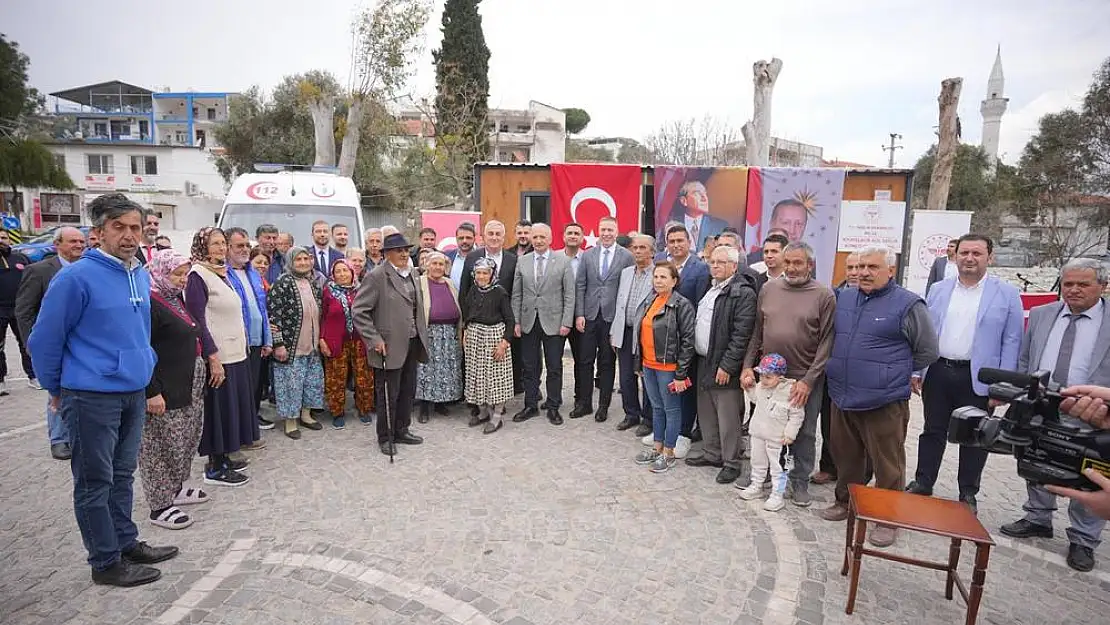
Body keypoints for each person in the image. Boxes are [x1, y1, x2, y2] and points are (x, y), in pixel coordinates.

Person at [28, 193, 176, 587]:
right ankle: (105, 561)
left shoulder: (138, 273)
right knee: (95, 481)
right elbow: (44, 340)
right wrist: (56, 388)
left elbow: (140, 333)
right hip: (90, 395)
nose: (130, 236)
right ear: (98, 233)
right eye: (119, 227)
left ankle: (125, 542)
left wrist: (145, 380)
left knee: (123, 474)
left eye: (136, 228)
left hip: (132, 392)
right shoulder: (75, 277)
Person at [820, 246, 939, 548]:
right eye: (859, 266)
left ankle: (887, 517)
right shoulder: (844, 297)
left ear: (891, 270)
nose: (863, 273)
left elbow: (927, 350)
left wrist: (891, 372)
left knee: (888, 463)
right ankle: (845, 501)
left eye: (872, 267)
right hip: (842, 394)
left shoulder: (909, 304)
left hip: (884, 401)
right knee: (846, 456)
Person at [999, 258, 1110, 572]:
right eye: (1068, 284)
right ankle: (1037, 517)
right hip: (1044, 404)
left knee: (1090, 471)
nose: (1073, 290)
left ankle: (1083, 539)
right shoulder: (1041, 314)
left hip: (1095, 411)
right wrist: (1019, 394)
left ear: (1102, 286)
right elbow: (1025, 356)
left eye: (1082, 284)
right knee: (1038, 459)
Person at [907, 234, 1023, 513]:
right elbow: (925, 332)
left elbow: (1012, 341)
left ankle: (968, 492)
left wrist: (1002, 385)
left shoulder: (1006, 294)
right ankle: (923, 481)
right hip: (938, 370)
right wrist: (917, 369)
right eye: (964, 253)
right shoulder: (938, 289)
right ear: (955, 256)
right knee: (932, 431)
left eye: (977, 253)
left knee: (975, 436)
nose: (970, 258)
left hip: (979, 378)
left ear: (989, 258)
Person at [741, 241, 835, 508]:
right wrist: (748, 365)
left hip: (804, 378)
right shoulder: (769, 289)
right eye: (788, 262)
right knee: (767, 428)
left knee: (802, 432)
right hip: (770, 377)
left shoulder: (824, 295)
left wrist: (808, 380)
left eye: (798, 263)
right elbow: (757, 332)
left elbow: (827, 343)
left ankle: (800, 481)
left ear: (810, 265)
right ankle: (770, 476)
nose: (792, 268)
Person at [141, 250, 208, 530]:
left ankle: (177, 488)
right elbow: (142, 349)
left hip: (186, 382)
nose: (182, 280)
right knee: (159, 446)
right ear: (159, 272)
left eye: (184, 274)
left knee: (183, 440)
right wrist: (151, 390)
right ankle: (159, 505)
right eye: (176, 274)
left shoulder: (173, 298)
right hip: (163, 387)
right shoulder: (149, 303)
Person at [183, 228, 254, 487]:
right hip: (219, 356)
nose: (220, 248)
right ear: (202, 246)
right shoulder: (197, 276)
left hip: (235, 353)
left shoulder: (221, 274)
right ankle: (215, 467)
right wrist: (212, 356)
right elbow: (198, 321)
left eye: (223, 243)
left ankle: (224, 457)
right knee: (218, 410)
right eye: (214, 243)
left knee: (230, 408)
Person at [684, 245, 758, 484]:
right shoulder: (711, 287)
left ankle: (731, 462)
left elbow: (741, 335)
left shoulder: (743, 293)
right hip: (704, 360)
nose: (714, 266)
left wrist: (727, 366)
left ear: (734, 266)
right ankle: (712, 452)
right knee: (706, 411)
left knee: (727, 417)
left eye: (721, 262)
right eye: (711, 261)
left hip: (724, 363)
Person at [352, 232, 430, 456]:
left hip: (412, 341)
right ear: (387, 254)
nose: (404, 253)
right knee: (388, 393)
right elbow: (359, 311)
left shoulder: (412, 273)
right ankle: (385, 436)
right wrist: (374, 338)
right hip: (387, 344)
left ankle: (402, 429)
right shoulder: (377, 276)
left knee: (407, 390)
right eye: (399, 250)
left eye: (406, 249)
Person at [15, 226, 85, 459]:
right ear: (57, 244)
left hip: (82, 343)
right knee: (57, 388)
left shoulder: (88, 270)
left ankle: (79, 434)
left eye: (81, 241)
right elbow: (25, 311)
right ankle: (59, 438)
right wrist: (31, 344)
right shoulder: (39, 271)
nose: (78, 245)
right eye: (73, 241)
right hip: (54, 342)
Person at [632, 261, 696, 473]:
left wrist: (680, 374)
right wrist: (638, 362)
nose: (658, 281)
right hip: (648, 364)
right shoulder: (651, 299)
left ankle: (669, 453)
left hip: (668, 367)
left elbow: (688, 341)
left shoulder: (681, 305)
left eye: (663, 277)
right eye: (656, 277)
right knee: (657, 407)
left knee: (671, 409)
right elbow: (640, 334)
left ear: (674, 281)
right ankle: (657, 447)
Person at [511, 223, 575, 425]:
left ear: (550, 239)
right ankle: (530, 405)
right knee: (529, 366)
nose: (538, 241)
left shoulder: (563, 261)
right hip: (529, 320)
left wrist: (567, 321)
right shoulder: (523, 261)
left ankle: (553, 406)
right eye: (535, 237)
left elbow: (569, 294)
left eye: (542, 237)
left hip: (555, 322)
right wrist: (516, 321)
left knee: (554, 366)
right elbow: (517, 293)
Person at [574, 216, 634, 422]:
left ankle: (603, 406)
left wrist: (620, 319)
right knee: (585, 360)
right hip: (590, 315)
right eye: (603, 229)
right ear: (598, 231)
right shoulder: (588, 255)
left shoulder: (626, 256)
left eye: (610, 230)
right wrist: (579, 314)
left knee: (607, 362)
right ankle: (585, 403)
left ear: (616, 232)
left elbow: (628, 288)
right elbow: (581, 284)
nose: (606, 233)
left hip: (612, 317)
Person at [813, 251, 862, 485]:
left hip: (860, 372)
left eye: (859, 267)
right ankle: (829, 466)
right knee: (830, 422)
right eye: (850, 268)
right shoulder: (832, 294)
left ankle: (856, 474)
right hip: (830, 368)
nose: (854, 273)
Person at [268, 247, 326, 440]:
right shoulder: (282, 282)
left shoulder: (313, 282)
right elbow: (274, 315)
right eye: (298, 259)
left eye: (305, 259)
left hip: (312, 345)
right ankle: (290, 421)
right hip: (291, 346)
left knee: (311, 381)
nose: (303, 262)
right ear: (290, 262)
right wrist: (279, 344)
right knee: (291, 384)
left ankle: (306, 415)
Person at [663, 224, 711, 452]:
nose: (676, 245)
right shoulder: (662, 265)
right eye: (671, 241)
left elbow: (700, 304)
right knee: (667, 383)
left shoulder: (700, 269)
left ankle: (683, 433)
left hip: (687, 337)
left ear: (689, 242)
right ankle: (666, 429)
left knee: (685, 385)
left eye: (680, 241)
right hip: (664, 336)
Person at [736, 353, 805, 510]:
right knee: (757, 461)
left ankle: (777, 494)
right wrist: (750, 386)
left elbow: (797, 415)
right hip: (758, 433)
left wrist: (790, 434)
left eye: (768, 377)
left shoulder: (790, 392)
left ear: (780, 378)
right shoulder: (761, 387)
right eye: (761, 376)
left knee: (778, 467)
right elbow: (755, 398)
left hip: (777, 438)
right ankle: (757, 485)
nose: (763, 380)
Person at [461, 221, 521, 397]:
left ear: (504, 237)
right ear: (483, 236)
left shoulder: (513, 259)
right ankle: (476, 404)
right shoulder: (472, 257)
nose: (494, 237)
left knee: (498, 365)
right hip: (476, 326)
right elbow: (465, 292)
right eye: (491, 234)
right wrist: (465, 324)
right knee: (476, 367)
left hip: (501, 324)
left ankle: (498, 403)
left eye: (498, 234)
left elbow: (516, 292)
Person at [225, 227, 272, 443]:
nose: (244, 250)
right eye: (239, 246)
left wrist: (267, 339)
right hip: (236, 343)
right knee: (239, 392)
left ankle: (251, 427)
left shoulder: (252, 273)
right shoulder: (224, 274)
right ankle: (240, 434)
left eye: (246, 246)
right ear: (227, 248)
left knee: (254, 387)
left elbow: (262, 308)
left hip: (256, 341)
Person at [463, 257, 516, 434]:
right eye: (478, 273)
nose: (482, 276)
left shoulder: (499, 292)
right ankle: (484, 411)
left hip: (494, 336)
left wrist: (504, 343)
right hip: (475, 337)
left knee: (496, 378)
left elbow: (510, 319)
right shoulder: (473, 290)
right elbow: (467, 313)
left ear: (492, 274)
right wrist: (465, 332)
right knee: (477, 377)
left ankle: (497, 416)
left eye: (485, 273)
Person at [611, 234, 658, 436]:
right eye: (635, 248)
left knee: (646, 378)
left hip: (646, 333)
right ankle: (631, 414)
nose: (637, 251)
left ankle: (648, 419)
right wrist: (614, 331)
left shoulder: (659, 273)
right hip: (625, 331)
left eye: (642, 248)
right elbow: (619, 305)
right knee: (626, 377)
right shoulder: (626, 273)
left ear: (652, 251)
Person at [320, 259, 374, 429]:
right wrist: (322, 339)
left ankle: (364, 408)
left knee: (364, 376)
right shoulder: (328, 292)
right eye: (338, 271)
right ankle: (337, 412)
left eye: (345, 270)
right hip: (335, 340)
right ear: (333, 275)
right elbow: (322, 316)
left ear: (352, 272)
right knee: (336, 377)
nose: (342, 274)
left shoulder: (362, 290)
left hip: (360, 340)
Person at [415, 251, 464, 421]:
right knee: (426, 370)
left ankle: (441, 402)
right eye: (434, 263)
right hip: (429, 332)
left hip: (449, 334)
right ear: (426, 265)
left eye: (441, 264)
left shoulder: (450, 283)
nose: (437, 267)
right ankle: (424, 406)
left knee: (446, 369)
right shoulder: (419, 282)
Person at [0, 228, 34, 395]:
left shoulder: (20, 258)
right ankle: (1, 380)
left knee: (26, 342)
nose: (2, 240)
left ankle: (33, 376)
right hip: (0, 309)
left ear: (9, 239)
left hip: (19, 308)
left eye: (4, 237)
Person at [561, 222, 588, 412]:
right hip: (556, 317)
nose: (572, 236)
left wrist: (582, 314)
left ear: (582, 238)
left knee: (582, 360)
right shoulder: (553, 258)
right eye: (569, 233)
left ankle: (581, 399)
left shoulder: (588, 259)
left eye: (576, 233)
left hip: (580, 317)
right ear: (563, 236)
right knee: (553, 360)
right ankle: (553, 398)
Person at [658, 180, 729, 251]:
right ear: (684, 201)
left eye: (705, 193)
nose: (704, 198)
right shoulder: (669, 225)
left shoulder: (721, 226)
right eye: (697, 193)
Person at [445, 222, 477, 288]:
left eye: (468, 238)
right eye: (461, 238)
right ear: (456, 239)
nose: (464, 241)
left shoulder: (481, 257)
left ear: (474, 239)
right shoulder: (447, 255)